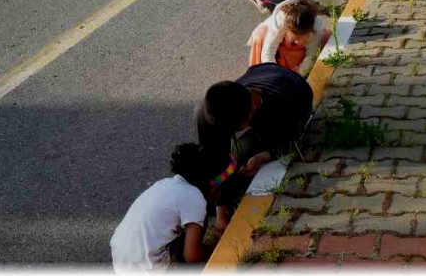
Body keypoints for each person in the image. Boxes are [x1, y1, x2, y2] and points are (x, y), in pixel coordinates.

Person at [195, 63, 314, 230]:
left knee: (243, 152)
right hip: (259, 72)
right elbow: (215, 157)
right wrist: (220, 211)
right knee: (220, 172)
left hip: (296, 93)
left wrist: (262, 157)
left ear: (252, 111)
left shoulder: (284, 107)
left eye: (236, 129)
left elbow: (291, 141)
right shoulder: (208, 110)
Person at [109, 143, 234, 272]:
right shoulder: (195, 198)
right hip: (150, 269)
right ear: (214, 187)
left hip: (120, 259)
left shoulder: (165, 183)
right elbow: (191, 256)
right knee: (199, 224)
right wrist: (214, 250)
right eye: (222, 190)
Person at [247, 0, 332, 75]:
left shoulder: (316, 30)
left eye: (302, 38)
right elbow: (268, 52)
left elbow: (310, 55)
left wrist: (299, 72)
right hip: (283, 45)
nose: (298, 42)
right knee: (260, 34)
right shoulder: (280, 22)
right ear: (286, 29)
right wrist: (275, 73)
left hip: (298, 49)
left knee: (326, 37)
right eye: (294, 39)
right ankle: (260, 73)